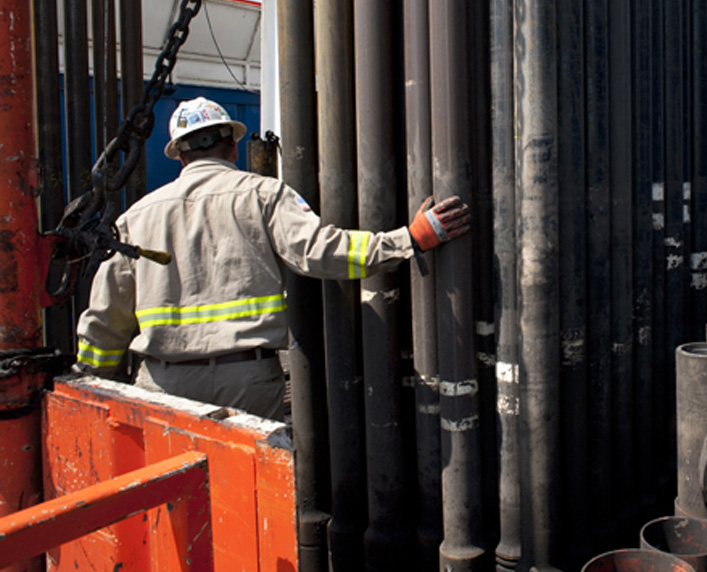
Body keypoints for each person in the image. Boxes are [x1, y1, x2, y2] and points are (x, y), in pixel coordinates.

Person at [75, 97, 469, 420]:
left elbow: (106, 315)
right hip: (246, 380)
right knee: (250, 504)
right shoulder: (263, 194)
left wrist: (90, 382)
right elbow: (320, 252)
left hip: (162, 386)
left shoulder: (136, 217)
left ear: (180, 157)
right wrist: (407, 239)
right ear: (232, 145)